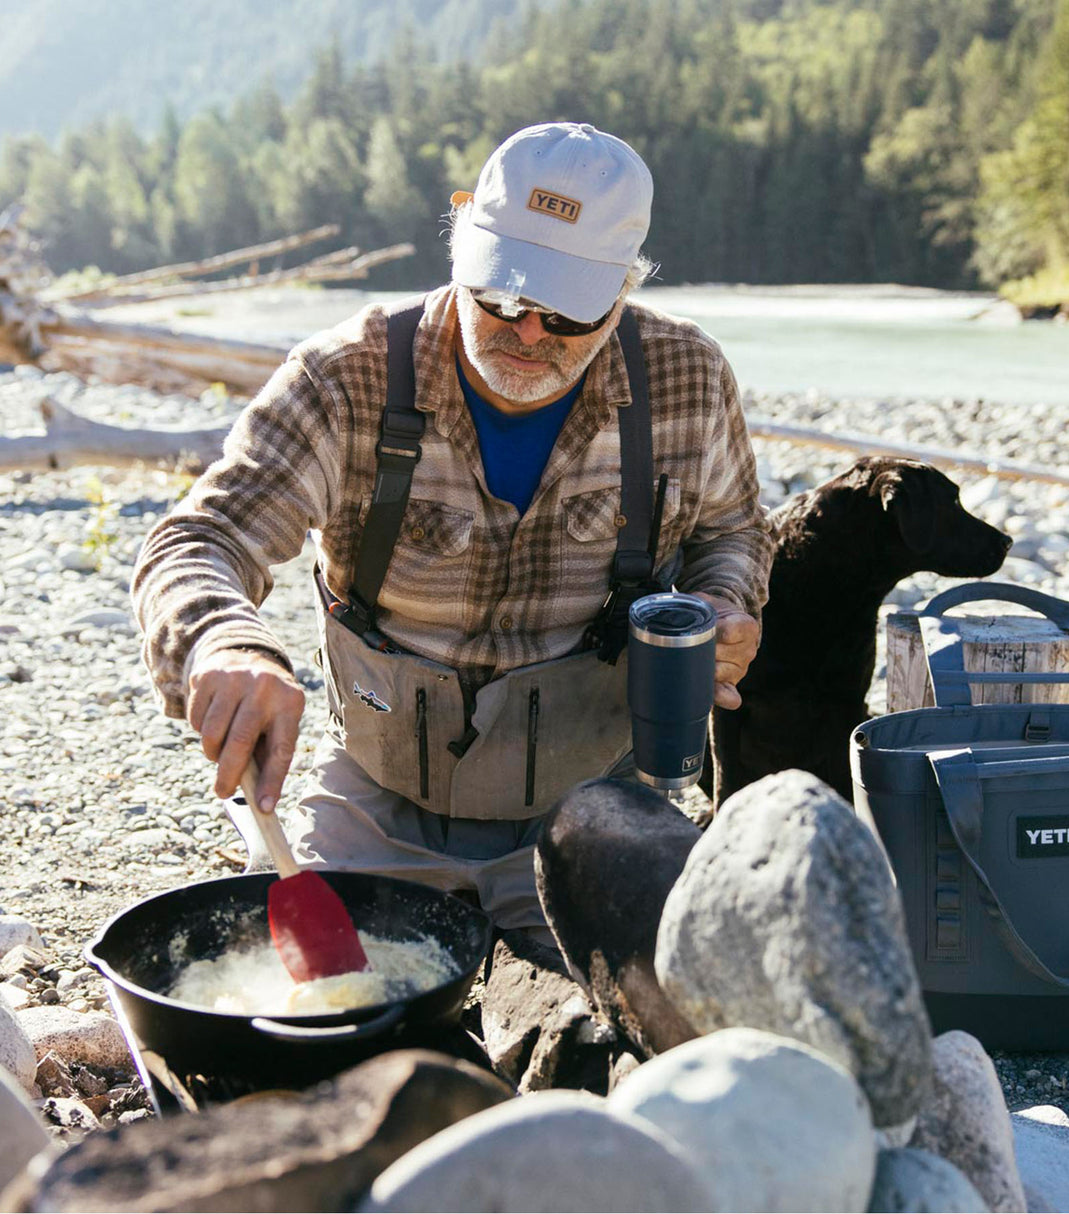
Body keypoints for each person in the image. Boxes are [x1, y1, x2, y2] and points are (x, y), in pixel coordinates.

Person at [132, 122, 773, 933]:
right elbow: (200, 540)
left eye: (566, 312)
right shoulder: (345, 377)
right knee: (319, 1024)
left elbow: (736, 531)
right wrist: (225, 643)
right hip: (377, 799)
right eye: (502, 295)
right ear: (461, 247)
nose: (528, 331)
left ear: (622, 292)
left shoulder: (687, 378)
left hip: (599, 801)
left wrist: (723, 601)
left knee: (663, 1025)